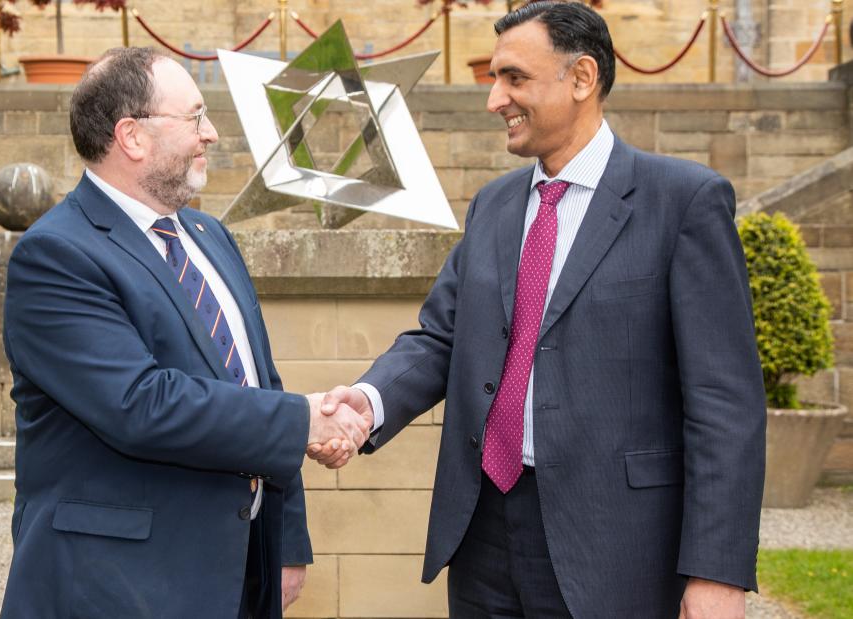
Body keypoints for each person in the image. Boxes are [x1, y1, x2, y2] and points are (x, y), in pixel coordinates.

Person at [312, 2, 767, 617]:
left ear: (581, 78)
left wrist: (717, 572)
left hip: (617, 546)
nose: (494, 98)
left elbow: (725, 405)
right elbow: (440, 339)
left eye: (514, 78)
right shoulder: (494, 205)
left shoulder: (683, 201)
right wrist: (368, 403)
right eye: (494, 78)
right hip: (482, 533)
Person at [0, 46, 368, 619]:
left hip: (237, 571)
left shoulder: (208, 236)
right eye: (195, 117)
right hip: (115, 585)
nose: (212, 133)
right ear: (133, 136)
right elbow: (140, 404)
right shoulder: (56, 255)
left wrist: (286, 542)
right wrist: (305, 419)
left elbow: (259, 384)